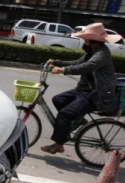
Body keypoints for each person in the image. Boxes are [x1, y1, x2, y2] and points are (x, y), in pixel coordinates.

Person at [40, 22, 119, 155]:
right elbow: (77, 63)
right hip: (82, 91)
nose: (83, 43)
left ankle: (58, 145)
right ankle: (79, 119)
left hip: (94, 94)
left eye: (85, 40)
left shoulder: (102, 54)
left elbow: (87, 67)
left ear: (93, 41)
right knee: (58, 99)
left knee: (64, 114)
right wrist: (57, 62)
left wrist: (63, 70)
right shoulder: (92, 52)